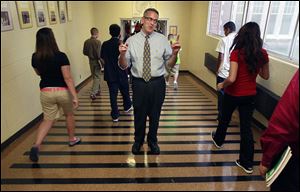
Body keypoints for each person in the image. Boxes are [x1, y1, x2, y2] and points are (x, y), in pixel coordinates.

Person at [118, 8, 181, 155]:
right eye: (149, 19)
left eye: (155, 20)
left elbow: (169, 64)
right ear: (142, 20)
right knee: (139, 114)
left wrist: (175, 54)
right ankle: (138, 141)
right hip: (139, 83)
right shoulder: (131, 41)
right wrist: (121, 54)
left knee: (155, 114)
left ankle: (153, 141)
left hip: (157, 83)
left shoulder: (162, 40)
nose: (152, 23)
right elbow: (123, 65)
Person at [211, 22, 270, 174]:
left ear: (242, 35)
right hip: (250, 95)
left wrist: (222, 85)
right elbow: (265, 75)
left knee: (224, 118)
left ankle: (218, 140)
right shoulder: (262, 54)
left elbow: (232, 78)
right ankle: (247, 163)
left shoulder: (237, 52)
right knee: (246, 128)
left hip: (233, 94)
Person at [30, 27, 81, 162]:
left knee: (47, 119)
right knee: (69, 115)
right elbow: (67, 78)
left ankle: (36, 145)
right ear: (52, 39)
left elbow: (39, 73)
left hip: (46, 92)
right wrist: (74, 95)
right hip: (62, 91)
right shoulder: (61, 56)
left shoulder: (35, 57)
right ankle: (72, 139)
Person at [259, 70, 299, 191]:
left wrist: (267, 159)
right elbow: (265, 75)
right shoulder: (263, 55)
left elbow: (286, 119)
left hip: (294, 156)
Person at [100, 24, 132, 122]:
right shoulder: (121, 44)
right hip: (121, 72)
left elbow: (102, 57)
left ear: (110, 32)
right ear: (119, 33)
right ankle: (127, 107)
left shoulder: (105, 44)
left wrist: (107, 65)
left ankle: (115, 115)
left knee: (113, 95)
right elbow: (125, 59)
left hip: (110, 73)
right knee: (125, 91)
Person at [215, 21, 236, 121]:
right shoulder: (239, 40)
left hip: (223, 72)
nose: (224, 32)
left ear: (227, 29)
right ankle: (228, 115)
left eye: (224, 30)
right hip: (234, 73)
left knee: (221, 94)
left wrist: (217, 69)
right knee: (231, 95)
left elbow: (221, 56)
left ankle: (221, 115)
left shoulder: (224, 40)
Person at [83, 27, 103, 100]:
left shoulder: (86, 42)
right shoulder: (98, 42)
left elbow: (84, 52)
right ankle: (93, 93)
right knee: (97, 77)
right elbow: (99, 54)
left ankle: (98, 90)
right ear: (96, 33)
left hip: (90, 61)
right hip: (97, 61)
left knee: (94, 76)